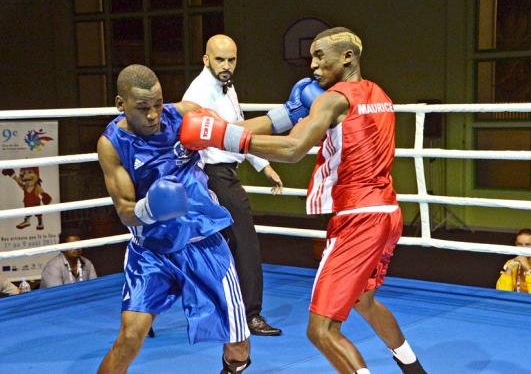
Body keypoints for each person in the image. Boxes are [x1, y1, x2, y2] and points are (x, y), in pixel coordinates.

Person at [180, 27, 426, 374]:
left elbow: (294, 148)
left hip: (358, 218)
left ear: (347, 57)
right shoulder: (378, 94)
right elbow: (272, 123)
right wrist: (231, 128)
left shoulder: (333, 99)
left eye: (319, 56)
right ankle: (413, 368)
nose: (312, 64)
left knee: (321, 330)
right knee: (364, 300)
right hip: (387, 211)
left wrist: (220, 135)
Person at [96, 64, 250, 374]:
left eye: (157, 104)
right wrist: (151, 208)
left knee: (238, 347)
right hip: (152, 250)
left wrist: (286, 117)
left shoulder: (185, 116)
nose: (153, 115)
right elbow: (125, 209)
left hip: (203, 244)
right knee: (130, 337)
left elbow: (238, 134)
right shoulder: (112, 144)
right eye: (142, 108)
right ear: (120, 104)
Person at [182, 34, 282, 336]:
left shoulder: (227, 86)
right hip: (212, 174)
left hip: (223, 171)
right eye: (220, 59)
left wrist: (263, 165)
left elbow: (239, 130)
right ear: (206, 59)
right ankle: (251, 315)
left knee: (212, 245)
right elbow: (191, 131)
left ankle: (154, 307)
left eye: (231, 60)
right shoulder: (198, 92)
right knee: (245, 242)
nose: (226, 66)